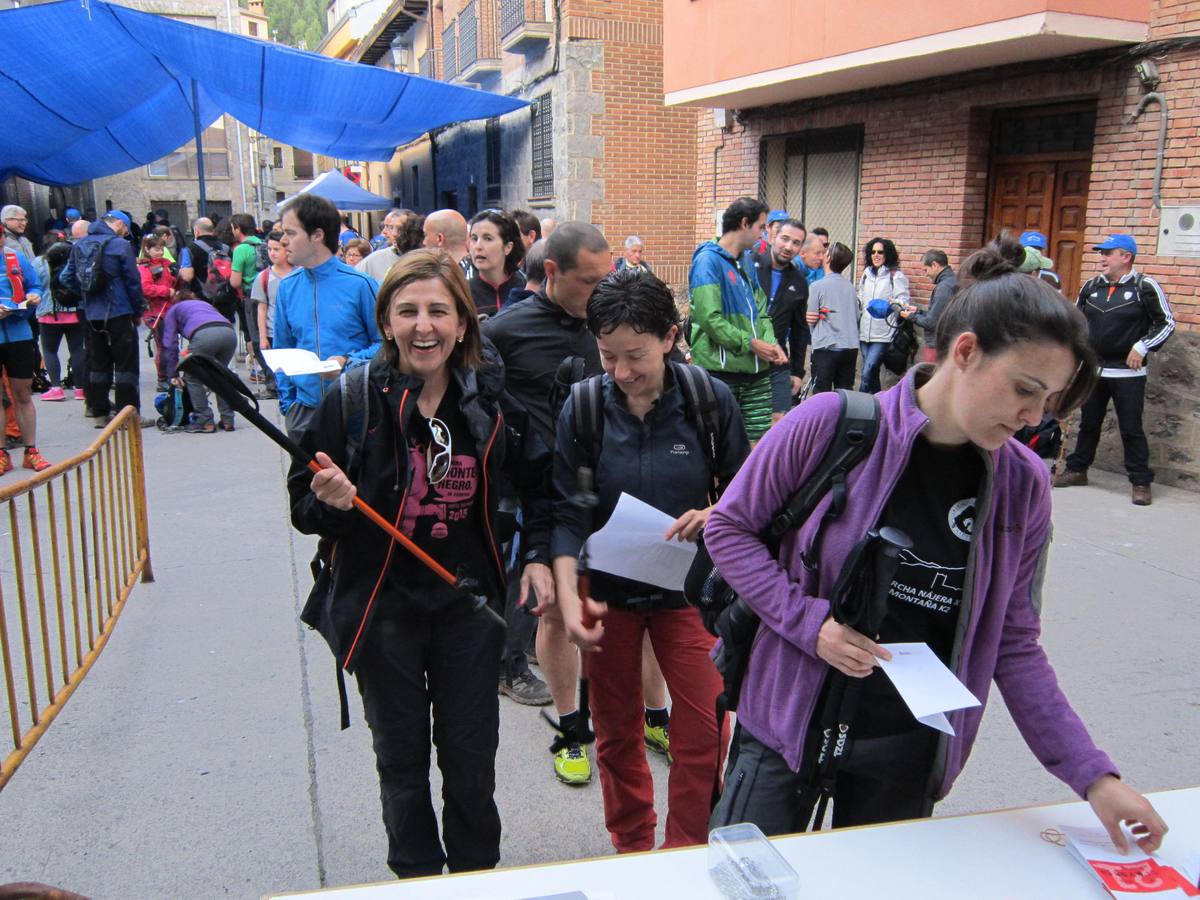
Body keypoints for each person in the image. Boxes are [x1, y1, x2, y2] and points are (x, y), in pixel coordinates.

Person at [704, 236, 1168, 854]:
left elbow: (1014, 641)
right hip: (788, 717)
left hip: (909, 745)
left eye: (1048, 401)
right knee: (743, 884)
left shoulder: (1024, 486)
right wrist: (809, 624)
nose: (1034, 416)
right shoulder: (831, 424)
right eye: (1024, 389)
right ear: (967, 352)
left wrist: (1093, 776)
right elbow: (728, 530)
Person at [289, 249, 552, 879]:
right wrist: (329, 503)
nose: (423, 325)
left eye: (439, 310)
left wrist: (539, 555)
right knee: (401, 763)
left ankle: (473, 876)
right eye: (407, 311)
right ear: (386, 323)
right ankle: (415, 877)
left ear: (464, 323)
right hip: (382, 612)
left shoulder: (489, 399)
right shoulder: (353, 397)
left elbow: (543, 484)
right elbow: (302, 501)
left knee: (470, 760)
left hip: (466, 608)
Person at [553, 268, 749, 852]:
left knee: (705, 733)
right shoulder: (584, 407)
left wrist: (717, 515)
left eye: (635, 354)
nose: (621, 372)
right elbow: (565, 513)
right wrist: (567, 597)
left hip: (688, 594)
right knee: (615, 736)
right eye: (607, 355)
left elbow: (746, 494)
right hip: (607, 592)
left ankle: (684, 853)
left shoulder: (708, 401)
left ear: (669, 336)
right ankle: (633, 852)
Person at [483, 222, 612, 783]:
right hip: (548, 499)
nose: (601, 293)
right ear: (553, 273)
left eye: (607, 280)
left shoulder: (615, 318)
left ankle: (646, 714)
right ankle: (569, 728)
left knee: (633, 610)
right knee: (558, 614)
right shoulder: (504, 332)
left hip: (618, 491)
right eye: (590, 282)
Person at [1056, 234, 1175, 506]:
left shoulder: (1145, 286)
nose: (1102, 258)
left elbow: (1166, 322)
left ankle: (1140, 480)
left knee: (1131, 428)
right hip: (1095, 370)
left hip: (1128, 373)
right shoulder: (1091, 286)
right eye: (1102, 253)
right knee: (1089, 424)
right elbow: (1078, 322)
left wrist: (1143, 347)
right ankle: (1078, 469)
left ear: (1126, 257)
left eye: (1108, 253)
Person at [273, 195, 381, 439]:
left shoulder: (360, 285)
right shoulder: (287, 287)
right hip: (304, 411)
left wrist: (348, 363)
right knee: (305, 478)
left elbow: (386, 345)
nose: (283, 241)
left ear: (317, 235)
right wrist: (289, 405)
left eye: (290, 233)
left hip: (355, 409)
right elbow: (283, 349)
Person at [688, 197, 786, 443]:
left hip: (756, 374)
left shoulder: (746, 260)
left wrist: (771, 342)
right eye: (761, 227)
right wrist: (751, 343)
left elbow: (761, 308)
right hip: (719, 374)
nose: (764, 235)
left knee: (758, 444)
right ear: (744, 223)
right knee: (717, 444)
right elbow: (709, 318)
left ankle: (753, 483)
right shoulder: (707, 261)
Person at [61, 210, 149, 428]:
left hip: (92, 314)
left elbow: (66, 278)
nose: (126, 233)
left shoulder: (79, 245)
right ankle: (127, 416)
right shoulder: (120, 246)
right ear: (119, 224)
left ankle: (100, 413)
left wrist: (85, 297)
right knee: (126, 366)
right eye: (126, 228)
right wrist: (138, 310)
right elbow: (132, 281)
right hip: (119, 311)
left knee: (98, 363)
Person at [750, 218, 809, 422]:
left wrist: (797, 372)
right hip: (746, 357)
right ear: (773, 236)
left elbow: (800, 331)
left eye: (796, 243)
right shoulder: (750, 265)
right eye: (785, 238)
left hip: (777, 363)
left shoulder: (799, 282)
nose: (788, 247)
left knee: (779, 423)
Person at [0, 244, 50, 473]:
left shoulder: (16, 258)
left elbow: (35, 286)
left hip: (19, 333)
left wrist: (34, 295)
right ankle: (2, 454)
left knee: (23, 393)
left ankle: (31, 451)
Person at [160, 299, 239, 433]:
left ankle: (205, 421)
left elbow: (169, 345)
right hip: (229, 334)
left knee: (192, 377)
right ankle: (228, 420)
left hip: (204, 335)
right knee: (220, 375)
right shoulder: (204, 304)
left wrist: (173, 374)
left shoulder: (173, 310)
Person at [35, 231, 86, 402]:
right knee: (78, 349)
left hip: (48, 312)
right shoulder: (74, 260)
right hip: (73, 311)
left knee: (50, 351)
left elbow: (34, 284)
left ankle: (56, 388)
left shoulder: (38, 262)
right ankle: (80, 389)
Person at [804, 241, 859, 393]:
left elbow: (811, 318)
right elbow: (856, 315)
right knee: (845, 392)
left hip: (826, 347)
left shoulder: (816, 286)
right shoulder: (850, 286)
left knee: (821, 394)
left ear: (828, 258)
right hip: (850, 347)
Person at [857, 237, 909, 394]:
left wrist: (892, 304)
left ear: (888, 254)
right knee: (871, 374)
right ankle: (878, 406)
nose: (876, 255)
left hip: (883, 334)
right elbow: (860, 298)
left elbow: (904, 302)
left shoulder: (895, 276)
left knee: (867, 372)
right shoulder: (866, 274)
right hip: (864, 332)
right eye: (873, 252)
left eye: (880, 252)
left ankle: (858, 406)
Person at [249, 229, 293, 400]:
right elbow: (262, 307)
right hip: (273, 330)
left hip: (294, 329)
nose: (272, 253)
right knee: (276, 368)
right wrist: (262, 336)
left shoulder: (299, 272)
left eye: (277, 249)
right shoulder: (264, 277)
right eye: (270, 249)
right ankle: (277, 391)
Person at [901, 250, 957, 363]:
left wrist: (910, 316)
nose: (925, 274)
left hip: (938, 346)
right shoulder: (953, 282)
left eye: (925, 270)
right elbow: (941, 315)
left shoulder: (944, 288)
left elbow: (932, 323)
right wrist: (918, 311)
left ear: (935, 265)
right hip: (948, 343)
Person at [468, 210, 526, 318]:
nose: (478, 246)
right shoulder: (463, 293)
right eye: (474, 238)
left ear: (508, 247)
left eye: (488, 238)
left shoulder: (525, 287)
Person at [137, 234, 177, 392]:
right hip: (156, 311)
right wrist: (167, 291)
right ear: (147, 249)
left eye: (162, 249)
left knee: (169, 344)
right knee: (163, 346)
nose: (160, 252)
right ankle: (163, 378)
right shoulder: (146, 268)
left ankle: (170, 375)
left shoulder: (164, 266)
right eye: (156, 249)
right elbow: (145, 288)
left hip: (167, 309)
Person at [357, 209, 411, 282]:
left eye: (391, 227)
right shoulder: (373, 260)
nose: (384, 232)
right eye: (386, 227)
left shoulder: (425, 258)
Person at [421, 209, 475, 281]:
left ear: (440, 239)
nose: (423, 242)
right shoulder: (481, 272)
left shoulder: (455, 279)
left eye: (425, 235)